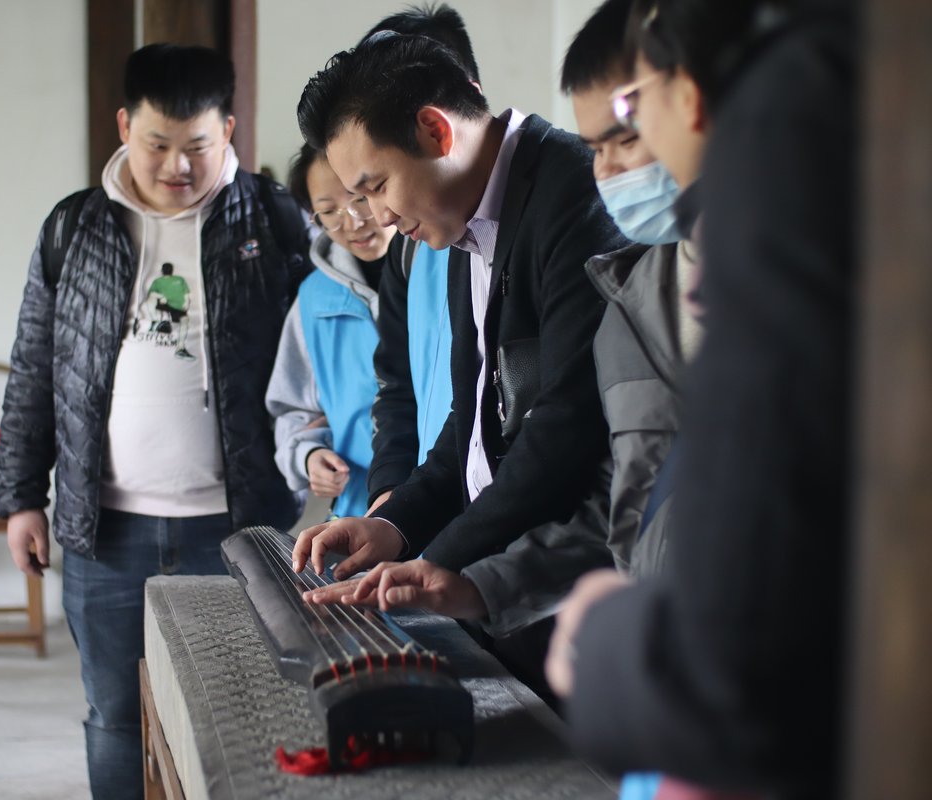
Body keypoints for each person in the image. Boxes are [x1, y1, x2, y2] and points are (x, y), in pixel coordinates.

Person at [546, 1, 857, 797]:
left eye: (630, 110)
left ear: (686, 91)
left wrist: (604, 638)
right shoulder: (626, 290)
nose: (623, 154)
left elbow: (733, 668)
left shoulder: (788, 123)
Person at [0, 43, 310, 800]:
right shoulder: (74, 228)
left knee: (245, 716)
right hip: (108, 532)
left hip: (239, 528)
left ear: (228, 131)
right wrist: (20, 499)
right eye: (157, 145)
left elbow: (323, 357)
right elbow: (35, 370)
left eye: (197, 146)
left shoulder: (275, 220)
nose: (177, 166)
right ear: (123, 126)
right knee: (115, 719)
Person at [291, 31, 626, 696]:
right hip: (491, 575)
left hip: (559, 583)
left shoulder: (570, 196)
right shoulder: (458, 220)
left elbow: (566, 427)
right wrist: (393, 526)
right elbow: (468, 425)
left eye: (378, 185)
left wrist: (437, 561)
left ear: (436, 132)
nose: (377, 215)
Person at [359, 4, 471, 513]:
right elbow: (397, 386)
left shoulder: (525, 226)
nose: (381, 215)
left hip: (503, 549)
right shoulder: (408, 246)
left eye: (380, 185)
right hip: (426, 522)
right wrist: (390, 499)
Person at [266, 144, 396, 519]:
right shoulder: (314, 299)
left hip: (449, 516)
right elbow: (292, 408)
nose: (353, 221)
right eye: (328, 211)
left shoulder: (441, 271)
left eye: (360, 199)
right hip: (358, 515)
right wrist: (308, 455)